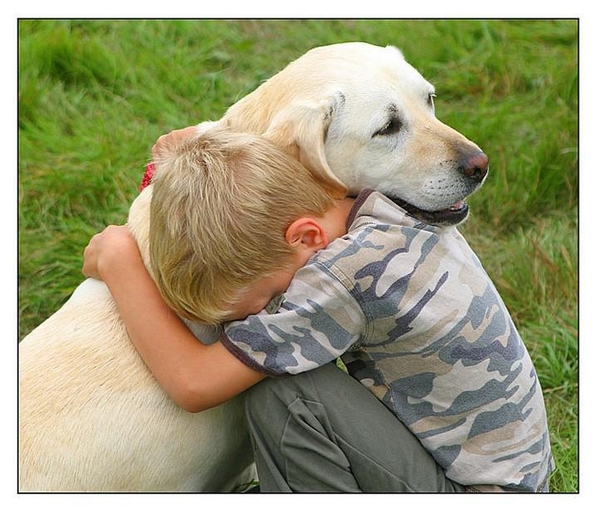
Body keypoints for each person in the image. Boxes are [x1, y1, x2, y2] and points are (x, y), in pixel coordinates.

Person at [83, 127, 554, 493]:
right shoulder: (378, 203)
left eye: (266, 303)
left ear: (306, 238)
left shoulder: (342, 278)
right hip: (506, 479)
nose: (263, 318)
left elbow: (194, 383)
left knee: (287, 393)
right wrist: (198, 155)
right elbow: (267, 168)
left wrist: (121, 262)